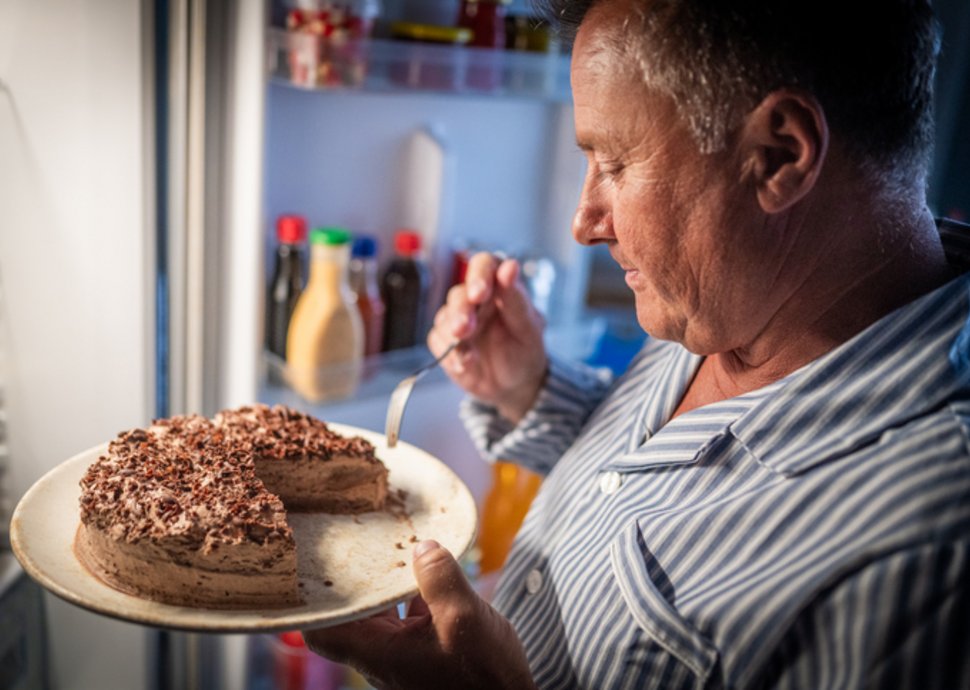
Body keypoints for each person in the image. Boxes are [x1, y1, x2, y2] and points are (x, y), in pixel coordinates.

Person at [304, 0, 970, 687]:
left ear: (779, 156)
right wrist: (527, 387)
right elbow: (655, 484)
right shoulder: (735, 292)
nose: (585, 222)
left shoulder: (930, 550)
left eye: (615, 164)